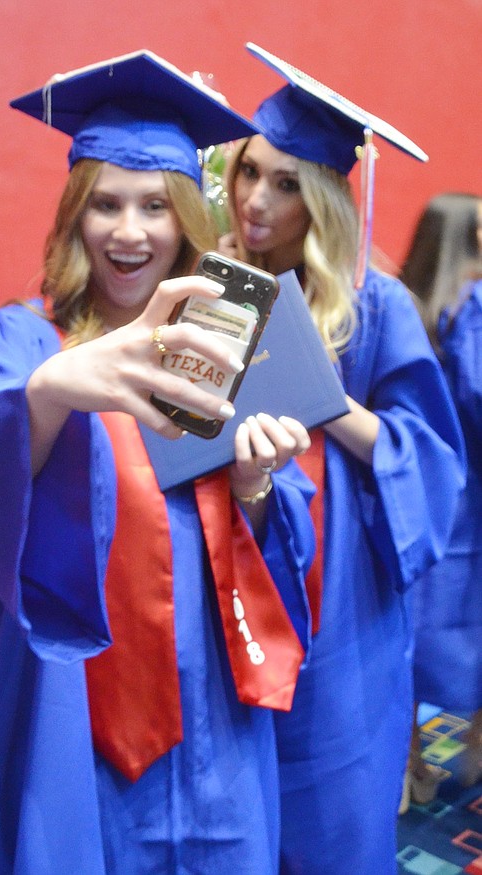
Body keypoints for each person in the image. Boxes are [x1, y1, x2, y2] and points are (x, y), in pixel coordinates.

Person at [0, 50, 318, 874]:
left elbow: (281, 529)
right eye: (105, 204)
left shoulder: (227, 343)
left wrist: (255, 488)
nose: (130, 230)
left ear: (185, 219)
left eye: (154, 205)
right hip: (74, 685)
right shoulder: (25, 340)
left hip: (210, 684)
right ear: (76, 214)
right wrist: (51, 391)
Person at [220, 43, 466, 875]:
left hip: (339, 584)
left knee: (330, 787)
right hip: (227, 555)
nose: (257, 198)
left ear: (323, 198)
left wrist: (329, 400)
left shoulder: (374, 302)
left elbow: (427, 456)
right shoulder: (215, 279)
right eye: (250, 171)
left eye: (286, 183)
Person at [399, 192, 482, 803]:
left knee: (404, 638)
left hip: (415, 502)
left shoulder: (403, 307)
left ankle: (408, 764)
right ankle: (477, 746)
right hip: (471, 508)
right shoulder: (474, 314)